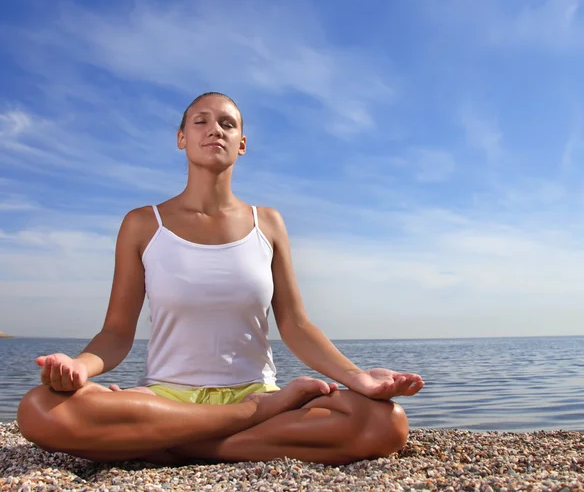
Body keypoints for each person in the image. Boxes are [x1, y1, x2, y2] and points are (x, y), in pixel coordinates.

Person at [17, 92, 424, 465]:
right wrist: (80, 367)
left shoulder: (269, 223)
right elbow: (117, 332)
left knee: (385, 422)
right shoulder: (143, 224)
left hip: (254, 389)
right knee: (38, 409)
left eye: (228, 124)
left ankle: (164, 444)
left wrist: (356, 377)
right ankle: (244, 422)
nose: (215, 129)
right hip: (168, 398)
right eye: (201, 121)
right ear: (181, 138)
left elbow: (296, 325)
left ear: (242, 143)